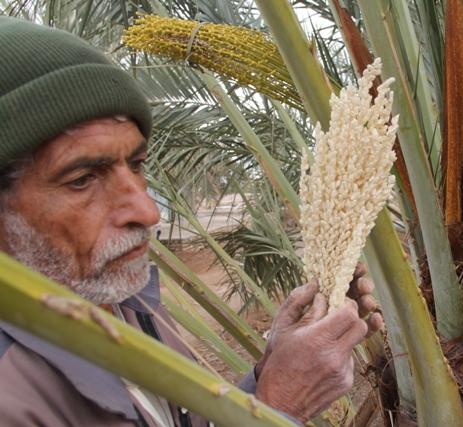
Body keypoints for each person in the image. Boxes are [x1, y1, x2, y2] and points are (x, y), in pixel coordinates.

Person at [0, 17, 383, 426]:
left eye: (137, 163)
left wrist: (268, 372)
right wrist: (278, 406)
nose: (149, 212)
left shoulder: (124, 304)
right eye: (81, 180)